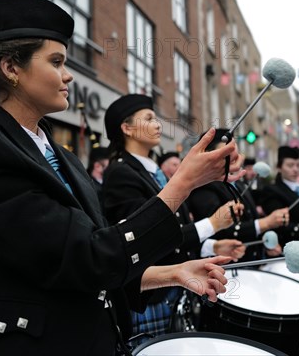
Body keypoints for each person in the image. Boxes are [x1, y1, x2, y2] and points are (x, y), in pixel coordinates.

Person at [0, 0, 243, 356]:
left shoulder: (56, 153)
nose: (68, 74)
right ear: (11, 68)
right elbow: (87, 258)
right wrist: (184, 183)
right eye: (55, 61)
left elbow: (88, 262)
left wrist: (173, 273)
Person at [102, 97, 245, 344]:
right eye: (148, 118)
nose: (158, 124)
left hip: (175, 288)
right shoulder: (120, 173)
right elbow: (144, 239)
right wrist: (212, 224)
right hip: (147, 296)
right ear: (126, 128)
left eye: (156, 118)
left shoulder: (153, 172)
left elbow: (171, 236)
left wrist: (211, 247)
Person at [187, 130, 287, 262]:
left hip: (252, 264)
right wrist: (265, 223)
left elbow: (249, 218)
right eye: (227, 153)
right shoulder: (202, 186)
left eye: (236, 151)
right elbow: (217, 230)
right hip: (226, 269)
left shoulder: (238, 183)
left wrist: (265, 244)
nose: (235, 158)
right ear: (207, 154)